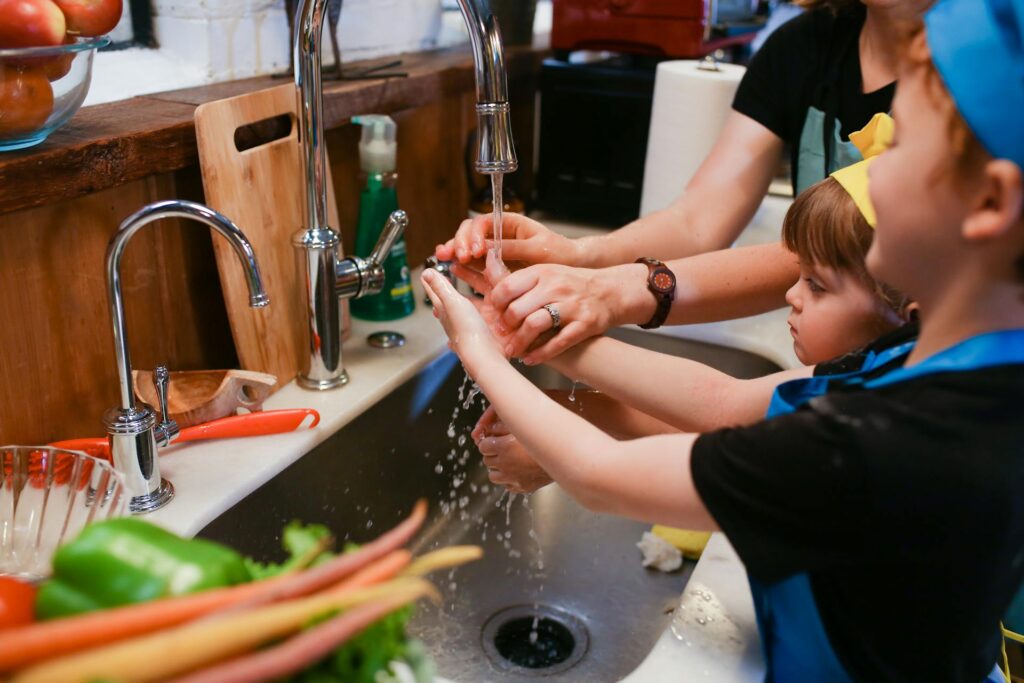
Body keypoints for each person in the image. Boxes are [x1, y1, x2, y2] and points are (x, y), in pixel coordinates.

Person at [422, 0, 1024, 678]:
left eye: (900, 147)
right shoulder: (933, 365)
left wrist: (478, 344)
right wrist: (549, 331)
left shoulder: (876, 444)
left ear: (992, 205)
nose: (864, 167)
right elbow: (728, 402)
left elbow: (599, 476)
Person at [437, 0, 931, 365]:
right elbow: (699, 219)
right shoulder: (805, 46)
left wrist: (617, 290)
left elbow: (836, 254)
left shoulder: (985, 83)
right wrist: (578, 254)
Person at [473, 119, 911, 491]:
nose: (790, 294)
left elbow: (719, 413)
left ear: (907, 314)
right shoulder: (882, 368)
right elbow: (725, 412)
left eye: (816, 285)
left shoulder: (883, 404)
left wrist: (534, 339)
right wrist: (568, 406)